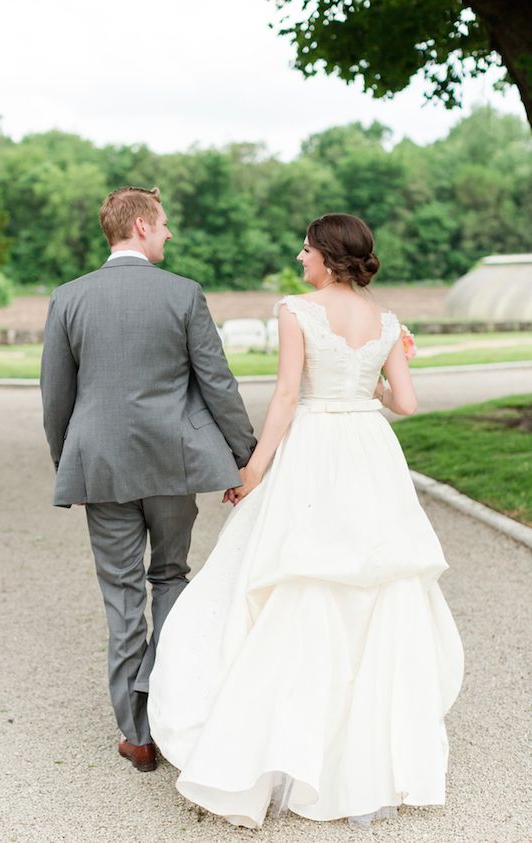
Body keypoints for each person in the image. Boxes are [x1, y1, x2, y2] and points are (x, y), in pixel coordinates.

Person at [147, 213, 464, 827]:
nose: (300, 256)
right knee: (371, 587)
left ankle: (287, 748)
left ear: (327, 255)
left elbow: (288, 395)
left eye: (306, 247)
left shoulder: (295, 310)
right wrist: (369, 380)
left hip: (316, 448)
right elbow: (406, 402)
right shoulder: (389, 322)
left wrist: (255, 468)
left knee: (302, 581)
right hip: (370, 452)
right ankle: (365, 756)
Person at [40, 186, 256, 773]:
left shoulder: (67, 299)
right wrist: (245, 455)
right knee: (171, 580)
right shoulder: (183, 294)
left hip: (101, 467)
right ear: (139, 226)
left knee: (122, 596)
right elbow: (218, 383)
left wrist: (72, 466)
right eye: (162, 225)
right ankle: (169, 712)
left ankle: (136, 734)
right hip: (173, 466)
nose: (168, 234)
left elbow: (55, 397)